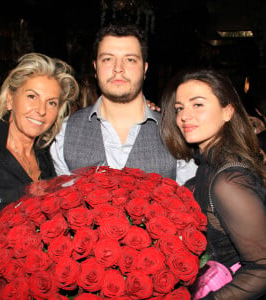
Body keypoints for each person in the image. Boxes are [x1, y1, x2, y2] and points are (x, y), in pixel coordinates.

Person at [160, 68, 266, 299]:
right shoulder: (208, 166)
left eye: (197, 104)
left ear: (227, 112)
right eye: (179, 108)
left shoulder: (228, 182)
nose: (184, 116)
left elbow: (262, 267)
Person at [50, 23, 197, 184]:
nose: (118, 68)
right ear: (95, 68)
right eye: (107, 59)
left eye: (130, 60)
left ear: (145, 69)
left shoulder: (177, 132)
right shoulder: (65, 131)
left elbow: (189, 201)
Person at [0, 52, 79, 240]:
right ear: (10, 99)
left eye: (51, 103)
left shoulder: (48, 158)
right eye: (32, 96)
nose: (41, 110)